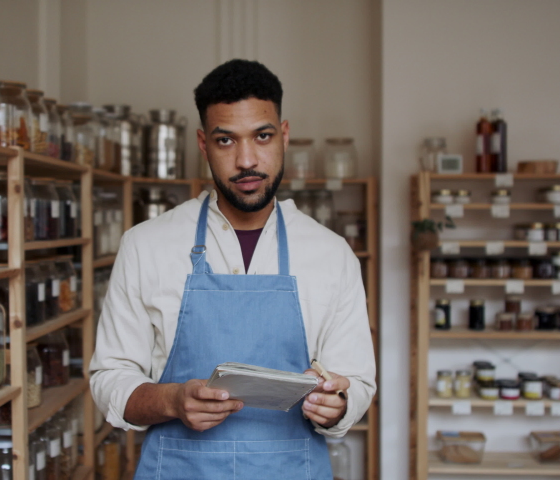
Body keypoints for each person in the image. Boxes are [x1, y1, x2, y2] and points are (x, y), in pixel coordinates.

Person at [89, 59, 376, 479]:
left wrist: (337, 406)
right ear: (204, 145)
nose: (246, 160)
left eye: (262, 136)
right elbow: (109, 378)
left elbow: (357, 382)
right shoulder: (145, 245)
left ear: (284, 136)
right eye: (226, 141)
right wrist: (171, 401)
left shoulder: (332, 255)